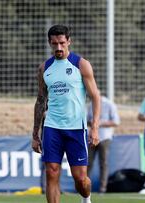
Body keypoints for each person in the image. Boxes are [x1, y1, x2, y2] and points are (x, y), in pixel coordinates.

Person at [31, 24, 100, 203]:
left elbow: (95, 97)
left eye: (62, 43)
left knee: (81, 180)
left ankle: (86, 199)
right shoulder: (44, 68)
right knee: (51, 172)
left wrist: (95, 128)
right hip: (52, 127)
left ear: (69, 41)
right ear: (49, 43)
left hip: (76, 128)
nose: (58, 47)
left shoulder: (81, 64)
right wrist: (35, 134)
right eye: (54, 44)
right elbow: (40, 101)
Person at [87, 96, 120, 193]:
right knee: (88, 163)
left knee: (103, 163)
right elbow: (87, 119)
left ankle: (103, 188)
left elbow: (116, 122)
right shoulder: (90, 105)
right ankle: (85, 187)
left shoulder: (109, 104)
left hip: (104, 137)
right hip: (92, 138)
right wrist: (92, 123)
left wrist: (99, 123)